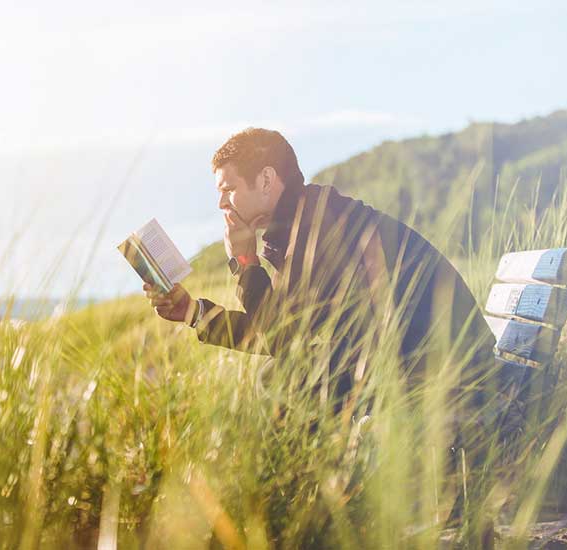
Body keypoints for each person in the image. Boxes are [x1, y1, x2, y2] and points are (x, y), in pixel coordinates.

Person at [143, 128, 513, 534]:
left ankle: (322, 521)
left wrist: (245, 262)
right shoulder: (307, 220)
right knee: (289, 378)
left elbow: (279, 337)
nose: (221, 202)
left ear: (266, 180)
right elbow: (282, 331)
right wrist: (192, 311)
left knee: (287, 381)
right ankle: (323, 515)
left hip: (450, 374)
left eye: (228, 188)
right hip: (421, 362)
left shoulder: (319, 227)